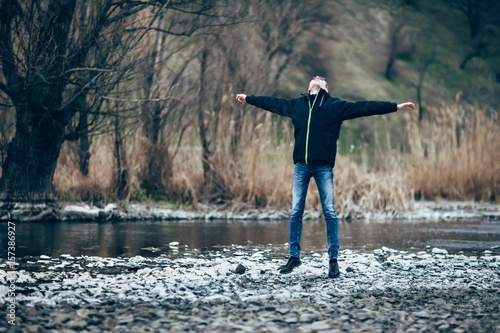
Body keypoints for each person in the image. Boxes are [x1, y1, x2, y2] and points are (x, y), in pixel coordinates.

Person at [236, 76, 415, 278]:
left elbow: (365, 107)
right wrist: (249, 98)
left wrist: (396, 107)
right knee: (296, 212)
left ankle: (333, 261)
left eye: (322, 79)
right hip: (301, 167)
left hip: (323, 168)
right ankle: (294, 258)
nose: (318, 79)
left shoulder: (334, 106)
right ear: (308, 86)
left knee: (329, 212)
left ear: (326, 89)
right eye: (315, 78)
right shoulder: (297, 105)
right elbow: (272, 103)